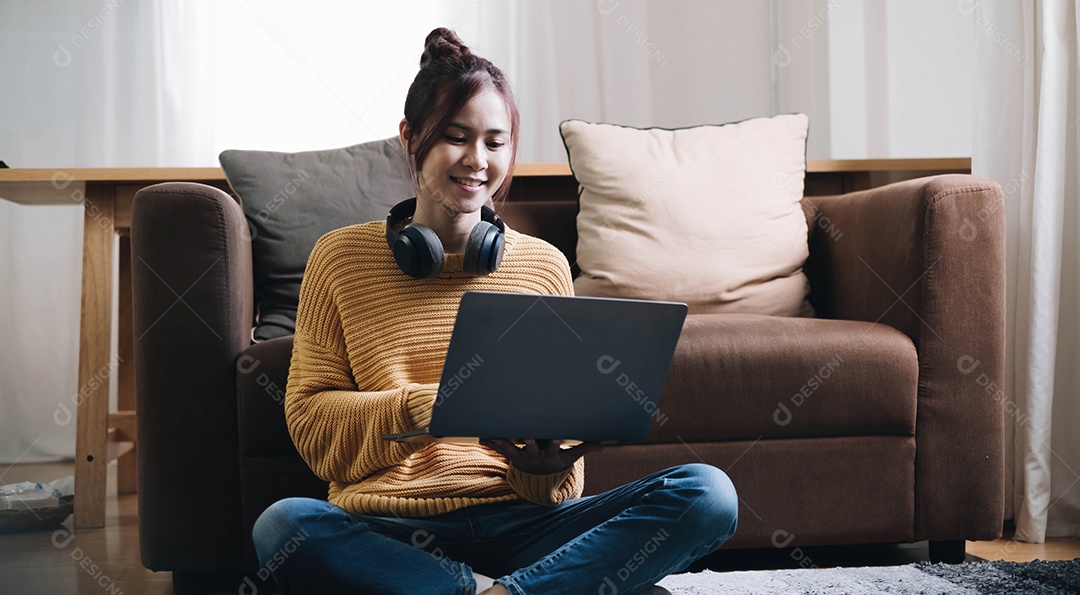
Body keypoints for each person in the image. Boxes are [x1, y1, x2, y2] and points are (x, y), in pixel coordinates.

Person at [252, 27, 738, 595]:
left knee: (707, 494)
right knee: (283, 525)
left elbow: (562, 478)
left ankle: (495, 590)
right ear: (410, 137)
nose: (476, 161)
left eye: (495, 142)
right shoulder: (339, 259)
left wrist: (545, 467)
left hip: (529, 525)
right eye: (456, 137)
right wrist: (437, 407)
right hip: (394, 527)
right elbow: (312, 426)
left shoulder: (543, 266)